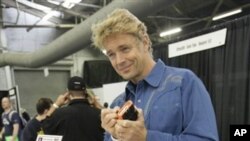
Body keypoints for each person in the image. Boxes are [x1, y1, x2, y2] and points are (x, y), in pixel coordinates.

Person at [91, 8, 219, 141]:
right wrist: (115, 137)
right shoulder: (117, 103)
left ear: (145, 42)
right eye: (111, 54)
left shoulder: (184, 83)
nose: (119, 61)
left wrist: (146, 137)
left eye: (125, 49)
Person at [42, 76, 104, 141]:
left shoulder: (59, 114)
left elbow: (45, 127)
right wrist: (97, 104)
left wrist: (56, 104)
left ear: (67, 92)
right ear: (85, 91)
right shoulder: (99, 114)